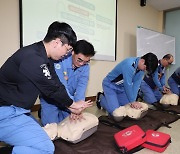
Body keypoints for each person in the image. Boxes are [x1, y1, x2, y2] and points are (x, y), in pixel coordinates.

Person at [0, 21, 93, 154]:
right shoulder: (33, 58)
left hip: (19, 110)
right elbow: (52, 89)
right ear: (57, 42)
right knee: (46, 148)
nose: (67, 54)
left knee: (42, 136)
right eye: (67, 50)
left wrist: (73, 106)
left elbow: (56, 83)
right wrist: (73, 105)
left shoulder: (44, 57)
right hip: (6, 112)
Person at [40, 40, 95, 126]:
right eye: (79, 60)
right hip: (52, 99)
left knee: (72, 123)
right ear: (72, 52)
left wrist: (78, 108)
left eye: (86, 61)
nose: (82, 64)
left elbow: (82, 87)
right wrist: (73, 106)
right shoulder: (59, 60)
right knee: (52, 128)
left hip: (69, 99)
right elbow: (61, 85)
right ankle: (45, 112)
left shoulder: (85, 67)